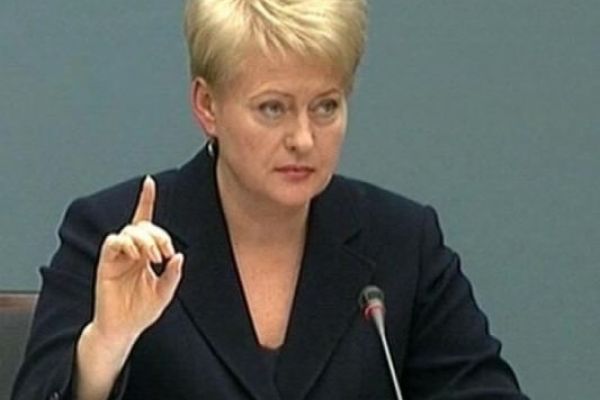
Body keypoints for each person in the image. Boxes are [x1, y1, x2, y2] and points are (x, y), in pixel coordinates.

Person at [11, 1, 529, 399]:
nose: (303, 138)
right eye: (273, 109)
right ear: (207, 106)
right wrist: (106, 345)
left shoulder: (401, 242)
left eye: (326, 106)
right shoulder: (112, 235)